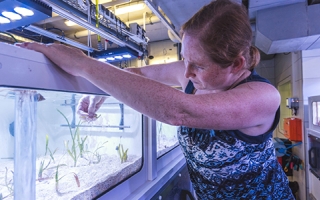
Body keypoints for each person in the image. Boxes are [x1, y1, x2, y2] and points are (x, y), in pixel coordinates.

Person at [17, 0, 294, 199]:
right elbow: (136, 73)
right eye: (185, 58)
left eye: (198, 65)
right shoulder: (190, 76)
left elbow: (181, 111)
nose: (185, 72)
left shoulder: (261, 97)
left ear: (236, 63)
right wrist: (98, 89)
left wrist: (84, 65)